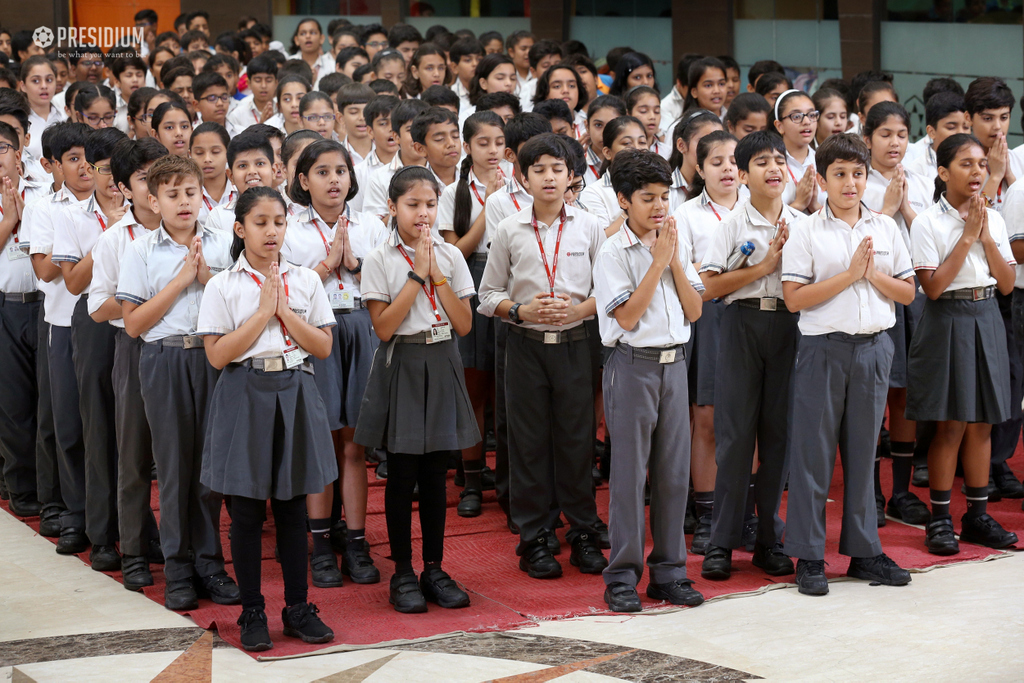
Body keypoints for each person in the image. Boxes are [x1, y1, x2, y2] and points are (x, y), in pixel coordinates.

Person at [198, 185, 336, 651]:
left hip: (294, 387)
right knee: (246, 511)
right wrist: (261, 315)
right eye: (260, 222)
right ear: (240, 228)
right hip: (243, 389)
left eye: (279, 221)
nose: (271, 230)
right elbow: (217, 355)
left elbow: (322, 345)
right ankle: (252, 610)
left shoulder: (306, 280)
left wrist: (283, 312)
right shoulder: (223, 284)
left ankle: (297, 607)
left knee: (294, 507)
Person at [781, 132, 915, 596]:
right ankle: (809, 555)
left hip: (874, 348)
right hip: (824, 350)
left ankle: (864, 552)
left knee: (863, 453)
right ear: (822, 178)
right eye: (839, 174)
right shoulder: (806, 230)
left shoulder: (886, 227)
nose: (850, 183)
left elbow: (908, 292)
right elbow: (795, 298)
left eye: (858, 174)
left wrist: (871, 274)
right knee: (813, 456)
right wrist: (849, 276)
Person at [478, 133, 608, 579]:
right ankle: (534, 538)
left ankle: (584, 534)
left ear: (572, 176)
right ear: (523, 177)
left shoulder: (589, 226)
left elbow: (606, 292)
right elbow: (487, 294)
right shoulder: (509, 229)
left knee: (577, 441)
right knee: (528, 443)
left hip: (576, 343)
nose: (549, 177)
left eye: (557, 169)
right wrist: (520, 310)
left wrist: (578, 310)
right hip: (525, 345)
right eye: (539, 170)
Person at [118, 154, 240, 611]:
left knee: (209, 471)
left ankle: (211, 564)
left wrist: (205, 275)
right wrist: (180, 280)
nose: (184, 202)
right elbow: (133, 324)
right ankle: (177, 569)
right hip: (164, 358)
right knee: (172, 469)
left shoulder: (223, 239)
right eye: (172, 195)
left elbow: (235, 302)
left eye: (190, 192)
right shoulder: (141, 250)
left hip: (211, 357)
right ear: (154, 201)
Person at [355, 165, 477, 613]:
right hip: (402, 360)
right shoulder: (380, 258)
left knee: (435, 473)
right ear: (392, 207)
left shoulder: (451, 255)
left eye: (430, 204)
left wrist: (436, 273)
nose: (423, 214)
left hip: (442, 357)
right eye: (413, 205)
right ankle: (403, 570)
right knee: (402, 473)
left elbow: (463, 323)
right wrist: (415, 275)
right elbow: (384, 328)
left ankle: (434, 567)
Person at [595, 147, 705, 613]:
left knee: (673, 475)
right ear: (623, 200)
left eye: (665, 196)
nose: (659, 207)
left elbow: (696, 310)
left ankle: (669, 573)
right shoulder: (613, 251)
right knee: (628, 477)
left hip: (674, 364)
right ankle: (621, 575)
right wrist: (657, 263)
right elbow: (629, 316)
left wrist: (674, 260)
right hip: (632, 364)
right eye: (647, 198)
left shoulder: (673, 240)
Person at [907, 133, 1019, 555]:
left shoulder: (996, 218)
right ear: (942, 172)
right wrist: (968, 235)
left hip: (986, 314)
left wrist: (986, 234)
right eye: (966, 164)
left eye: (981, 165)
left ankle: (977, 515)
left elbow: (1007, 284)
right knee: (950, 423)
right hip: (947, 318)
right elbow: (932, 287)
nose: (977, 172)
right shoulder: (927, 223)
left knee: (982, 422)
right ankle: (939, 519)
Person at [698, 131, 801, 581]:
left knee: (779, 435)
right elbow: (710, 287)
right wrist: (764, 267)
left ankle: (769, 540)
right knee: (736, 437)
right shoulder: (731, 225)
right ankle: (721, 542)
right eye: (761, 162)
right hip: (741, 324)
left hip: (789, 326)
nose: (774, 168)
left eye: (779, 160)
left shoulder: (802, 222)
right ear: (742, 175)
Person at [283, 139, 386, 586]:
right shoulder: (288, 228)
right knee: (320, 443)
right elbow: (283, 289)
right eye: (322, 172)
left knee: (354, 445)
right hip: (314, 334)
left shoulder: (370, 226)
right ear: (304, 181)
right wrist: (327, 266)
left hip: (361, 325)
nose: (334, 180)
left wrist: (356, 263)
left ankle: (357, 541)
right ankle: (320, 543)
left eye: (341, 171)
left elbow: (389, 279)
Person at [88, 137, 168, 590]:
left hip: (188, 348)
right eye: (144, 179)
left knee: (188, 458)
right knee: (134, 455)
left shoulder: (198, 226)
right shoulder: (115, 238)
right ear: (123, 188)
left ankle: (191, 550)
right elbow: (97, 308)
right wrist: (149, 301)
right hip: (135, 347)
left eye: (164, 175)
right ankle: (134, 549)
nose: (157, 186)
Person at [51, 125, 128, 572]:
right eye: (101, 168)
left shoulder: (144, 209)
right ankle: (101, 535)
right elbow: (75, 282)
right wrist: (110, 236)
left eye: (120, 168)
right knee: (97, 429)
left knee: (137, 435)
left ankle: (140, 529)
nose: (110, 177)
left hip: (141, 317)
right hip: (95, 318)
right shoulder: (73, 216)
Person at [860, 101, 935, 526]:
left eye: (902, 135)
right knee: (873, 395)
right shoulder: (858, 182)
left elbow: (931, 237)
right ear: (868, 138)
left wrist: (906, 206)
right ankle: (870, 490)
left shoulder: (921, 182)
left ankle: (902, 492)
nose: (895, 142)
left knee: (905, 394)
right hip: (874, 295)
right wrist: (887, 207)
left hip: (915, 297)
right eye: (885, 134)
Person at [24, 122, 94, 556]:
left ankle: (117, 517)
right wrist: (88, 244)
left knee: (111, 428)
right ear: (52, 165)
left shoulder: (115, 203)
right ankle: (74, 514)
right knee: (69, 426)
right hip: (64, 322)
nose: (84, 167)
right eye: (72, 159)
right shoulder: (47, 207)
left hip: (109, 323)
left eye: (89, 159)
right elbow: (47, 271)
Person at [672, 130, 741, 554]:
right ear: (699, 169)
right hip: (709, 317)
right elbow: (685, 273)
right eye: (717, 162)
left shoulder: (761, 210)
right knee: (707, 418)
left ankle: (746, 511)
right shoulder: (685, 215)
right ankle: (707, 512)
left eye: (734, 161)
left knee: (749, 419)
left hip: (755, 315)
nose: (728, 169)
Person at [439, 111, 506, 516]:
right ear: (467, 147)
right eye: (483, 143)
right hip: (472, 274)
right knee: (474, 387)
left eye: (499, 142)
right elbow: (455, 253)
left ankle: (511, 479)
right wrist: (491, 205)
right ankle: (473, 479)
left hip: (512, 277)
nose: (493, 150)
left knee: (509, 387)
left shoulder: (521, 182)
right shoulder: (454, 192)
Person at [0, 121, 49, 518]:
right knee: (14, 403)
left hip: (47, 302)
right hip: (6, 306)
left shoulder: (45, 189)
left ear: (19, 153)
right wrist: (7, 221)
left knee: (50, 400)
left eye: (2, 148)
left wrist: (25, 211)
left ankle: (54, 487)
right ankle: (21, 487)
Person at [362, 99, 430, 218]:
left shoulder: (443, 171)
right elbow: (373, 229)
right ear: (396, 136)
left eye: (423, 130)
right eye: (410, 130)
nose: (418, 136)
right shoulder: (379, 179)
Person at [579, 115, 646, 234]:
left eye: (642, 142)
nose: (637, 148)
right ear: (607, 152)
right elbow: (599, 242)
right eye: (627, 143)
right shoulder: (593, 193)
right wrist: (630, 209)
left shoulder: (657, 186)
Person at [204, 129, 279, 233]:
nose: (252, 172)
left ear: (273, 170)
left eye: (260, 163)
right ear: (231, 176)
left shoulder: (289, 213)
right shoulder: (219, 218)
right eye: (242, 166)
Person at [964, 77, 1015, 212]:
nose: (998, 126)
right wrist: (996, 176)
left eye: (1004, 117)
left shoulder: (1018, 159)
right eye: (988, 118)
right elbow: (973, 218)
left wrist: (1009, 175)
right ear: (968, 118)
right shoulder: (960, 163)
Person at [774, 89, 824, 213]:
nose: (807, 122)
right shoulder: (769, 165)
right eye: (796, 116)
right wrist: (799, 204)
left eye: (812, 115)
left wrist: (814, 206)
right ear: (779, 126)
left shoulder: (826, 162)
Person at [906, 92, 970, 183]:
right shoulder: (916, 171)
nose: (961, 133)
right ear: (931, 132)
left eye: (966, 127)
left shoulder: (978, 164)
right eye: (951, 127)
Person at [667, 110, 724, 212]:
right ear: (681, 145)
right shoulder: (665, 190)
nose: (713, 150)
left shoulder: (730, 186)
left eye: (719, 142)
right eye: (704, 141)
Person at [20, 56, 66, 164]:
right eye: (36, 81)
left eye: (49, 80)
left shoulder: (65, 118)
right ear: (23, 86)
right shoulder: (19, 121)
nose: (44, 86)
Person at [226, 53, 278, 137]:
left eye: (268, 80)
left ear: (276, 83)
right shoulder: (237, 114)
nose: (263, 85)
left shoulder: (282, 109)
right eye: (258, 80)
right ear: (249, 83)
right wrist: (260, 127)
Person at [581, 96, 626, 186]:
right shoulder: (577, 164)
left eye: (612, 124)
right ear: (587, 126)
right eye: (598, 125)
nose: (605, 132)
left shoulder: (632, 164)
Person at [336, 83, 376, 165]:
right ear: (340, 118)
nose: (362, 117)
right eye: (353, 112)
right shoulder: (335, 154)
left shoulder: (387, 151)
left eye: (366, 112)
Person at [289, 18, 334, 89]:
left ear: (321, 39)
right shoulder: (288, 64)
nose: (308, 36)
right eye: (303, 33)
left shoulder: (332, 65)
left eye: (312, 32)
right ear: (296, 40)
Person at [626, 86, 668, 159]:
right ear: (628, 114)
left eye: (656, 111)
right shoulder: (623, 150)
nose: (652, 116)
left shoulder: (668, 152)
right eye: (643, 111)